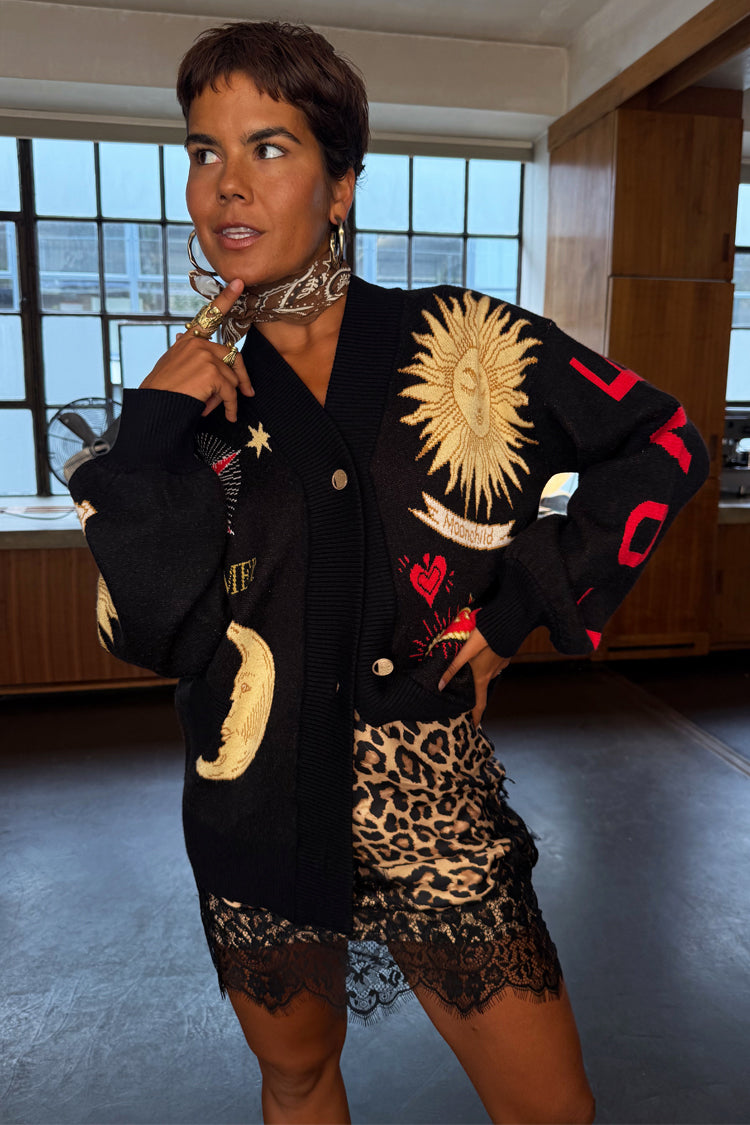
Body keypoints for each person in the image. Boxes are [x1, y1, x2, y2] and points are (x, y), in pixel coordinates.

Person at [67, 20, 709, 1125]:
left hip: (434, 799)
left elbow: (667, 441)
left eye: (269, 148)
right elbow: (148, 629)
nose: (226, 184)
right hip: (255, 807)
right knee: (297, 1077)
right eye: (204, 151)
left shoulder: (469, 342)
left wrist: (516, 611)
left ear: (342, 185)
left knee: (552, 1110)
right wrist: (152, 428)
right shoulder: (187, 406)